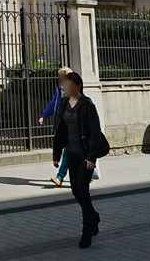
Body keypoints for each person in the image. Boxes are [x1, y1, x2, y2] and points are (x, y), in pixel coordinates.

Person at [52, 70, 105, 249]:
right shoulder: (64, 103)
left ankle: (87, 231)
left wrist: (91, 156)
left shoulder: (87, 105)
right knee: (75, 190)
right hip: (72, 154)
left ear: (78, 86)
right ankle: (94, 217)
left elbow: (95, 132)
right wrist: (56, 154)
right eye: (65, 86)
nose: (67, 89)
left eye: (70, 86)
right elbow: (60, 131)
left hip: (85, 155)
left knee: (82, 190)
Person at [39, 65, 72, 186]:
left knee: (68, 150)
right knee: (68, 149)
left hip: (72, 125)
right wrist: (44, 116)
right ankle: (84, 173)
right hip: (63, 124)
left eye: (62, 77)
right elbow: (53, 104)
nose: (61, 80)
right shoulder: (60, 89)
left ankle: (60, 177)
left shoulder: (73, 89)